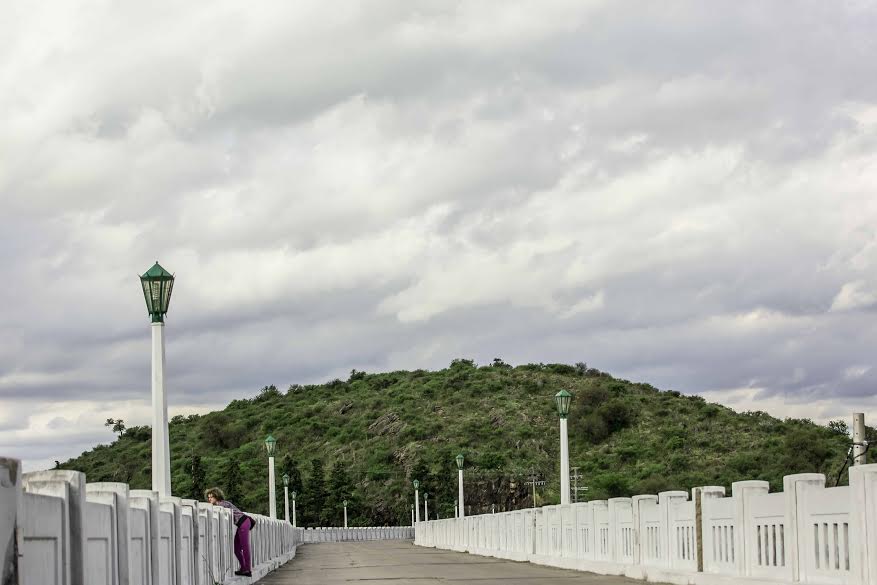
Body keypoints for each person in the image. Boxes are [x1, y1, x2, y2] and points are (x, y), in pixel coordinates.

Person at [205, 487, 255, 577]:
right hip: (242, 524)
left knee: (245, 547)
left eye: (211, 497)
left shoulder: (222, 504)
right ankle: (243, 568)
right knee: (236, 548)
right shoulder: (220, 505)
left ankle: (248, 570)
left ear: (216, 496)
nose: (209, 499)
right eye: (208, 497)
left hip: (243, 522)